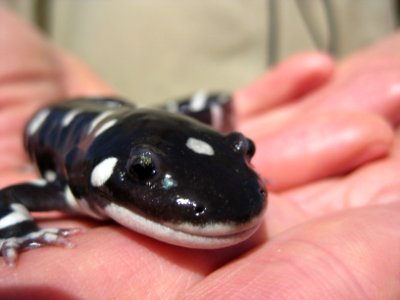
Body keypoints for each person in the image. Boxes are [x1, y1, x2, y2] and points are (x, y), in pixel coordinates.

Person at [0, 5, 399, 299]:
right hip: (90, 114)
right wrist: (17, 232)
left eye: (244, 153)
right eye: (142, 170)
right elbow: (8, 196)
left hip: (119, 112)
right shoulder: (72, 190)